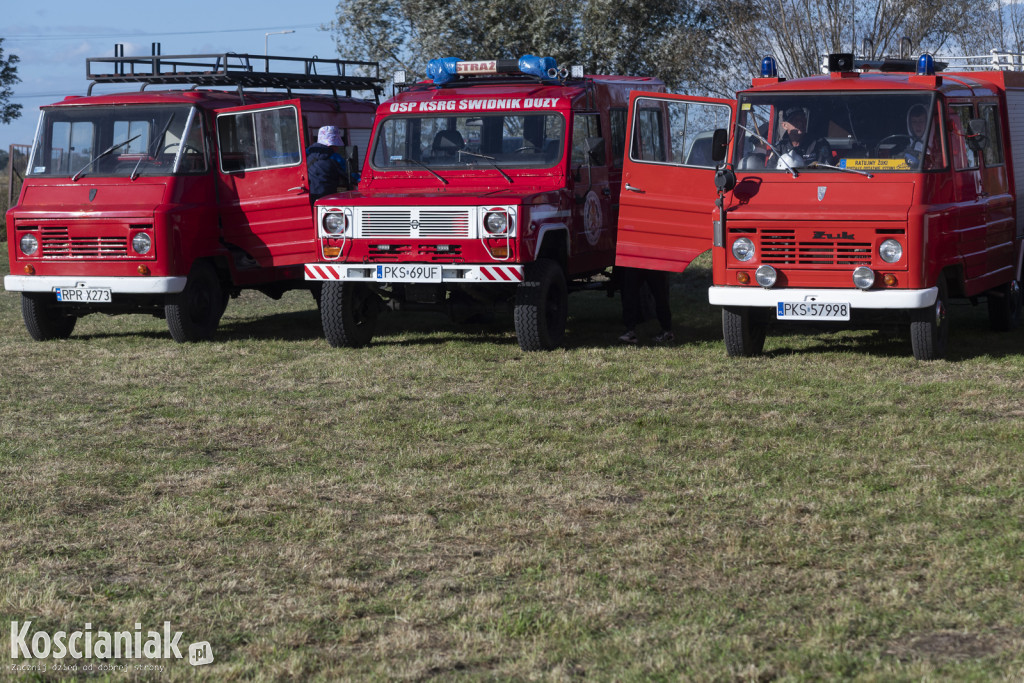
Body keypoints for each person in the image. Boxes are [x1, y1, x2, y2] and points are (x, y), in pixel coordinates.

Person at [618, 267, 674, 344]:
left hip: (654, 263)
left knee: (660, 296)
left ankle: (667, 331)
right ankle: (629, 331)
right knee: (629, 295)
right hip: (635, 262)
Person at [306, 126, 353, 204]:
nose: (337, 148)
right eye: (336, 145)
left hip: (309, 197)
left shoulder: (307, 153)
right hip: (328, 198)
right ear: (332, 144)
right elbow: (350, 174)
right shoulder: (335, 157)